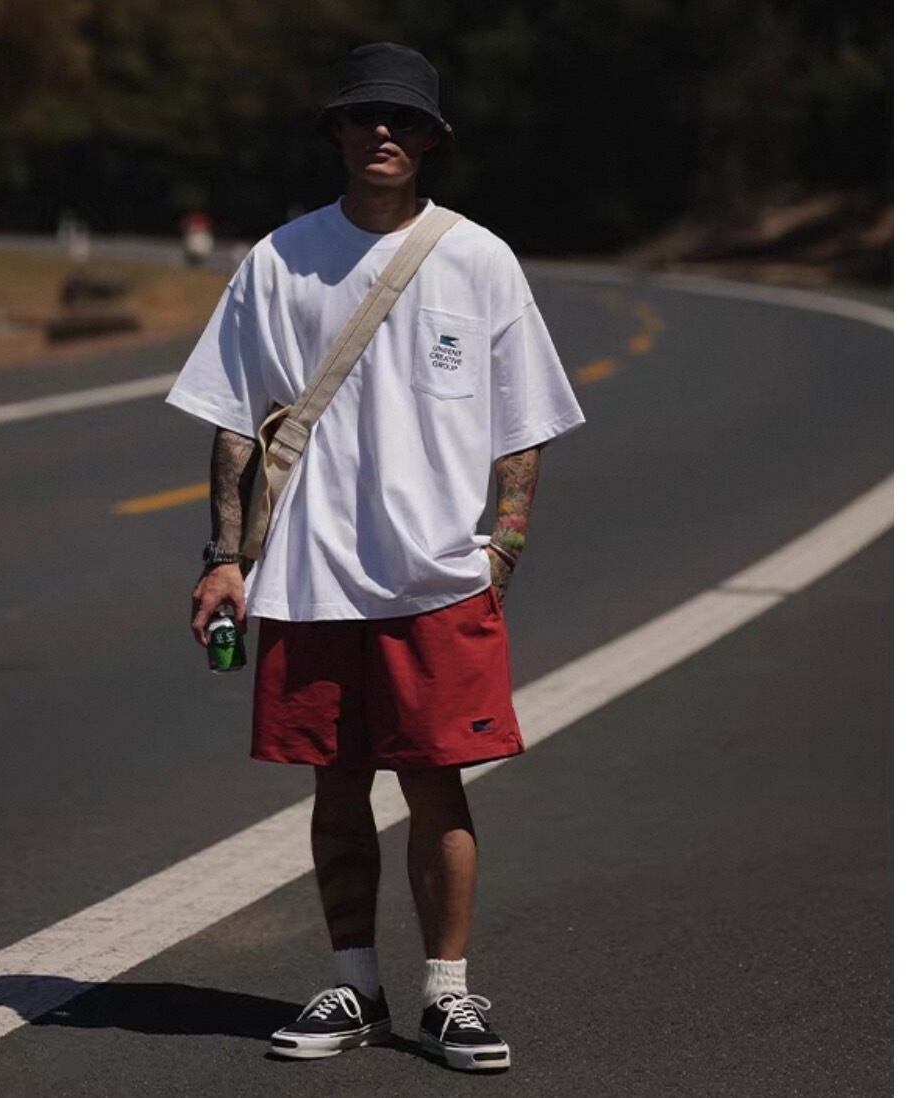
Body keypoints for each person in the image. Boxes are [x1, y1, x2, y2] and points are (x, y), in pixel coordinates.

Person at [166, 41, 585, 1073]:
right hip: (307, 575)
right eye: (361, 116)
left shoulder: (477, 259)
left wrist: (503, 550)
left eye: (402, 118)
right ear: (337, 133)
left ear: (431, 138)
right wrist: (224, 557)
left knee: (437, 785)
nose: (381, 131)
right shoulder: (280, 258)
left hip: (434, 575)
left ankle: (448, 995)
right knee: (336, 785)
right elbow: (234, 417)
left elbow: (523, 424)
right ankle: (354, 986)